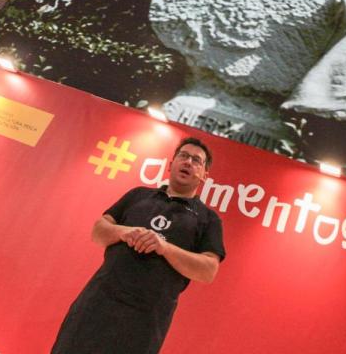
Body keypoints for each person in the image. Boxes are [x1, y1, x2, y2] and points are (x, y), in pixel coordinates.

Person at [51, 137, 226, 354]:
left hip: (146, 319)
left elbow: (208, 270)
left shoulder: (208, 219)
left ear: (204, 175)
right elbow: (98, 231)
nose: (188, 162)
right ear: (171, 165)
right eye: (183, 156)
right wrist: (126, 232)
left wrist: (164, 247)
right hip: (98, 302)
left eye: (196, 160)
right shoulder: (138, 195)